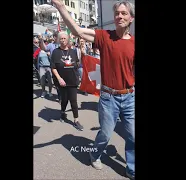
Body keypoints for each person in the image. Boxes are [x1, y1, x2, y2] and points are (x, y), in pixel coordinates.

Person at [51, 0, 135, 179]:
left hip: (129, 97)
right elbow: (77, 31)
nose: (119, 16)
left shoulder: (134, 43)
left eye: (124, 13)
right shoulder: (105, 36)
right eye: (117, 13)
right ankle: (95, 154)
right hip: (108, 97)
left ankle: (131, 168)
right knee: (105, 134)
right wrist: (61, 7)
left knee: (133, 136)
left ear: (131, 18)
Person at [50, 31, 84, 131]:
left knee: (73, 100)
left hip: (73, 80)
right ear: (58, 40)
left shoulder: (73, 51)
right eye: (61, 38)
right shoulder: (55, 52)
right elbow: (53, 67)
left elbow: (78, 64)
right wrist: (59, 78)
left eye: (65, 38)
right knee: (64, 99)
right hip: (62, 81)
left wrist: (82, 53)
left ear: (68, 40)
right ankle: (62, 112)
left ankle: (76, 120)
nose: (63, 40)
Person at [38, 32, 61, 102]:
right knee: (56, 82)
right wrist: (41, 40)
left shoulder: (62, 45)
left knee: (63, 81)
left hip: (62, 66)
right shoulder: (51, 45)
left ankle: (63, 96)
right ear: (55, 37)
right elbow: (44, 48)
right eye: (59, 37)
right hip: (53, 66)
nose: (60, 38)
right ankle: (60, 97)